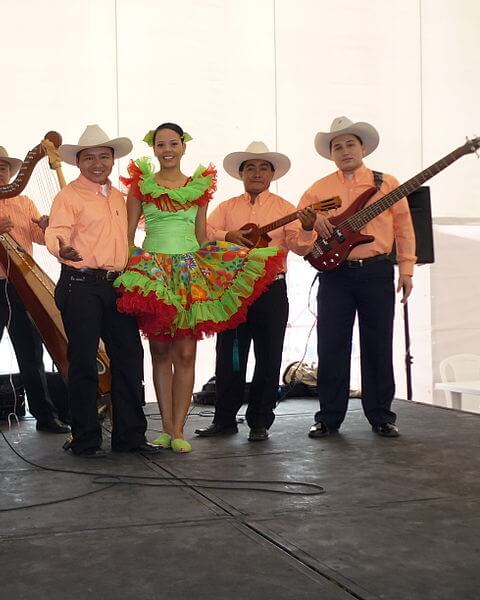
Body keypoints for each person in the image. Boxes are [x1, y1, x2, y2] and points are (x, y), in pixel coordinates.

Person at [114, 124, 284, 453]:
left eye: (173, 143)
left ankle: (179, 430)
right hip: (153, 272)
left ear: (183, 147)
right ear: (153, 148)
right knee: (160, 352)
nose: (167, 149)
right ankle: (164, 427)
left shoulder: (199, 187)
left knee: (187, 352)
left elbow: (203, 235)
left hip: (189, 272)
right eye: (161, 143)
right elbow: (127, 233)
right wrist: (127, 268)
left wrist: (233, 248)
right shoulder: (140, 186)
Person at [298, 116, 415, 439]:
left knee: (378, 344)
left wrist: (406, 268)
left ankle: (381, 416)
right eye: (338, 146)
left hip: (377, 271)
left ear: (362, 148)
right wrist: (312, 225)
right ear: (331, 153)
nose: (345, 150)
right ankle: (328, 417)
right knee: (331, 345)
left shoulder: (386, 183)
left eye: (350, 144)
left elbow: (405, 228)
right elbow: (300, 238)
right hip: (335, 275)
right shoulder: (317, 190)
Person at [45, 124, 157, 458]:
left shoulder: (123, 199)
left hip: (117, 285)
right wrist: (61, 248)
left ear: (112, 160)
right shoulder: (68, 196)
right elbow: (56, 232)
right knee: (83, 362)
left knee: (129, 358)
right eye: (90, 157)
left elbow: (151, 225)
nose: (98, 163)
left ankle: (130, 438)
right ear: (79, 162)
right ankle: (85, 439)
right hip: (80, 286)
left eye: (104, 157)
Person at [196, 141, 317, 442]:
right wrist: (229, 235)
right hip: (232, 291)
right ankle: (224, 419)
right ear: (241, 173)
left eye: (264, 167)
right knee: (229, 356)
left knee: (269, 356)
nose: (257, 173)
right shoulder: (226, 208)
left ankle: (260, 421)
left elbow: (302, 248)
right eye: (250, 167)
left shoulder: (285, 209)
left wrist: (306, 227)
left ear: (272, 174)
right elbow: (206, 236)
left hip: (271, 291)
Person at [0, 145, 70, 436]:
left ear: (13, 173)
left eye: (3, 168)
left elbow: (39, 238)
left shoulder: (24, 202)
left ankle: (45, 415)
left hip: (21, 286)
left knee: (31, 354)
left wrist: (48, 225)